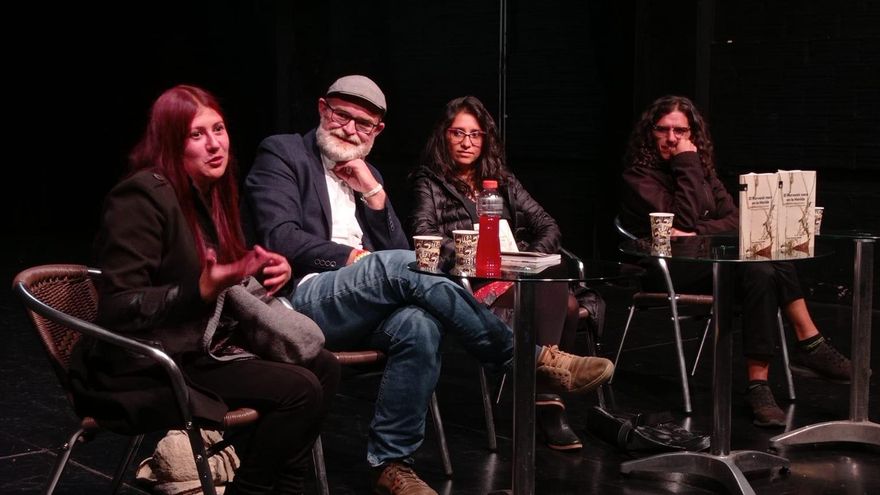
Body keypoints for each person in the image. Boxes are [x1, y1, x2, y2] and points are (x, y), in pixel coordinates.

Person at [245, 75, 614, 494]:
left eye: (363, 124)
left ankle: (390, 464)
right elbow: (281, 236)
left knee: (420, 323)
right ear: (322, 109)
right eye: (341, 116)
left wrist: (375, 195)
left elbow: (407, 258)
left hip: (366, 303)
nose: (349, 129)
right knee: (401, 268)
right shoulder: (284, 152)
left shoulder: (370, 175)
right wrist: (351, 257)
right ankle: (526, 361)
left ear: (377, 131)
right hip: (306, 295)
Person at [69, 85, 341, 495]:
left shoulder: (206, 196)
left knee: (324, 366)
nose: (215, 145)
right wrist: (198, 290)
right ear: (171, 142)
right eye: (197, 135)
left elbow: (220, 269)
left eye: (219, 129)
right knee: (298, 391)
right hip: (151, 361)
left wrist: (258, 268)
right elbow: (119, 307)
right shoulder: (141, 196)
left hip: (202, 344)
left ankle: (286, 486)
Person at [619, 95, 851, 427]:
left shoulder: (703, 173)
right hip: (668, 270)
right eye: (663, 129)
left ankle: (760, 385)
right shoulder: (639, 176)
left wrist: (696, 229)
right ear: (650, 132)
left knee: (761, 263)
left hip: (712, 265)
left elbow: (738, 221)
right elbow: (679, 218)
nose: (672, 138)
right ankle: (808, 344)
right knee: (761, 263)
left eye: (681, 131)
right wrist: (686, 165)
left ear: (693, 135)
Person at [409, 95, 602, 451]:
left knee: (564, 296)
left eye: (476, 135)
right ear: (444, 136)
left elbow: (548, 224)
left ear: (486, 140)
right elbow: (426, 236)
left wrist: (527, 258)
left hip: (516, 273)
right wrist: (481, 259)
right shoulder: (429, 180)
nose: (467, 143)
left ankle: (542, 398)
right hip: (470, 281)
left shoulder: (502, 180)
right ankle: (547, 407)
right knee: (566, 303)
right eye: (458, 133)